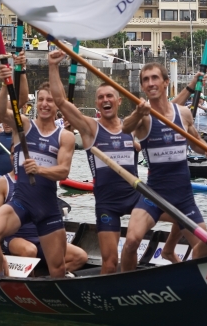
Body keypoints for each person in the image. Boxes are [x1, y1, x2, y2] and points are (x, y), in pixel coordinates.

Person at [47, 49, 140, 274]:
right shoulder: (90, 128)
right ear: (97, 104)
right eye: (100, 98)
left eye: (110, 97)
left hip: (135, 197)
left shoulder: (132, 126)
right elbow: (60, 101)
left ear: (118, 101)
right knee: (109, 262)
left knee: (133, 245)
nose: (105, 100)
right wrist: (52, 66)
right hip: (107, 202)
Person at [120, 63, 207, 271]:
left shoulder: (183, 113)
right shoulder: (143, 117)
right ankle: (127, 286)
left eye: (155, 78)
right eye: (145, 80)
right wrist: (138, 112)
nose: (150, 83)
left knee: (204, 245)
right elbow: (125, 128)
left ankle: (189, 283)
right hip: (154, 196)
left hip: (183, 198)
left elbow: (196, 144)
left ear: (166, 83)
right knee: (131, 242)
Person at [0, 63, 74, 278]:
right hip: (21, 202)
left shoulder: (65, 136)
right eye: (41, 100)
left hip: (47, 207)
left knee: (58, 269)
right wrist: (6, 83)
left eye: (50, 101)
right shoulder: (23, 125)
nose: (44, 104)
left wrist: (40, 169)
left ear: (57, 106)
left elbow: (63, 172)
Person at [0, 168, 89, 273]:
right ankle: (30, 283)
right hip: (15, 238)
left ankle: (49, 279)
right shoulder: (2, 182)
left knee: (80, 256)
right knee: (29, 250)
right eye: (15, 154)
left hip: (42, 238)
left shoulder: (41, 182)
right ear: (11, 157)